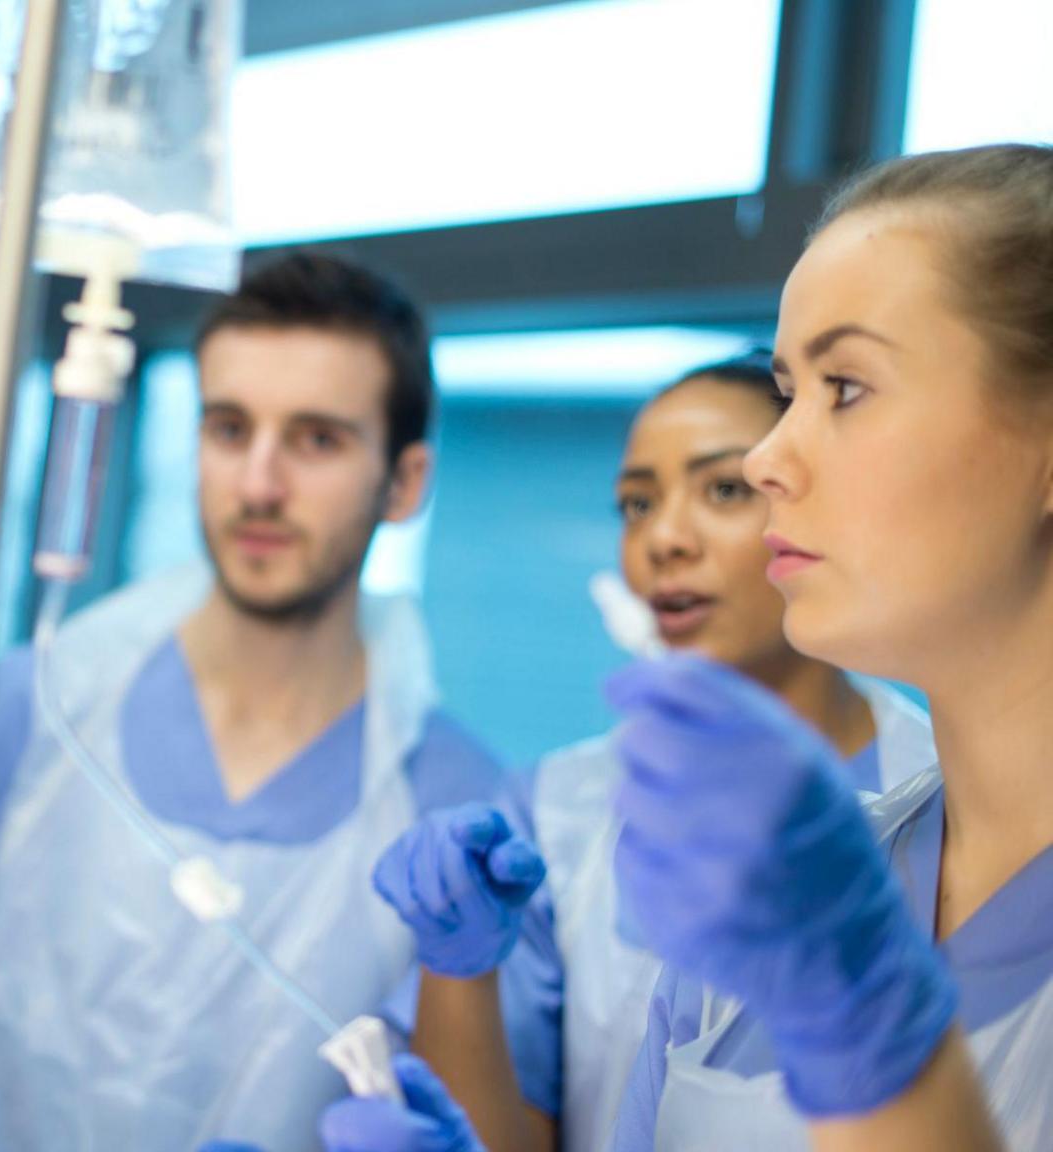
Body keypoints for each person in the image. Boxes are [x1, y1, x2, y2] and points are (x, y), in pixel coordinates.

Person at [321, 143, 1053, 1152]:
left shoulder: (801, 902)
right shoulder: (771, 901)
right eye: (786, 390)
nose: (766, 460)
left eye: (843, 387)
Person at [0, 252, 506, 1151]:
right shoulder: (36, 706)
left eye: (316, 440)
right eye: (228, 428)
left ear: (405, 483)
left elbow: (477, 1121)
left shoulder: (453, 802)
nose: (258, 484)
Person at [368, 354, 936, 1152]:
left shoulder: (953, 794)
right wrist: (459, 970)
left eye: (725, 489)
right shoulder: (556, 814)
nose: (663, 538)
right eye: (637, 503)